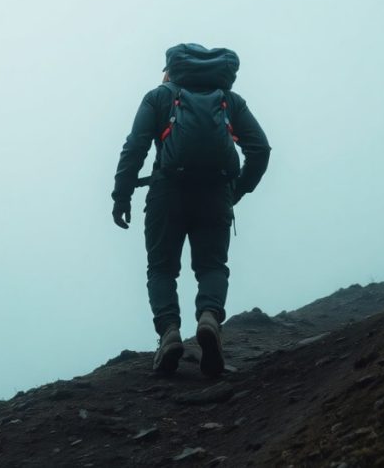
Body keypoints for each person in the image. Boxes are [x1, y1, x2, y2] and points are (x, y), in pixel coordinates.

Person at [111, 43, 270, 377]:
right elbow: (260, 149)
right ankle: (209, 319)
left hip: (167, 191)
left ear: (171, 69)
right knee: (212, 265)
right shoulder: (229, 100)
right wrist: (235, 191)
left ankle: (169, 335)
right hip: (215, 192)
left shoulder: (158, 97)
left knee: (162, 269)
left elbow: (135, 147)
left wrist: (121, 195)